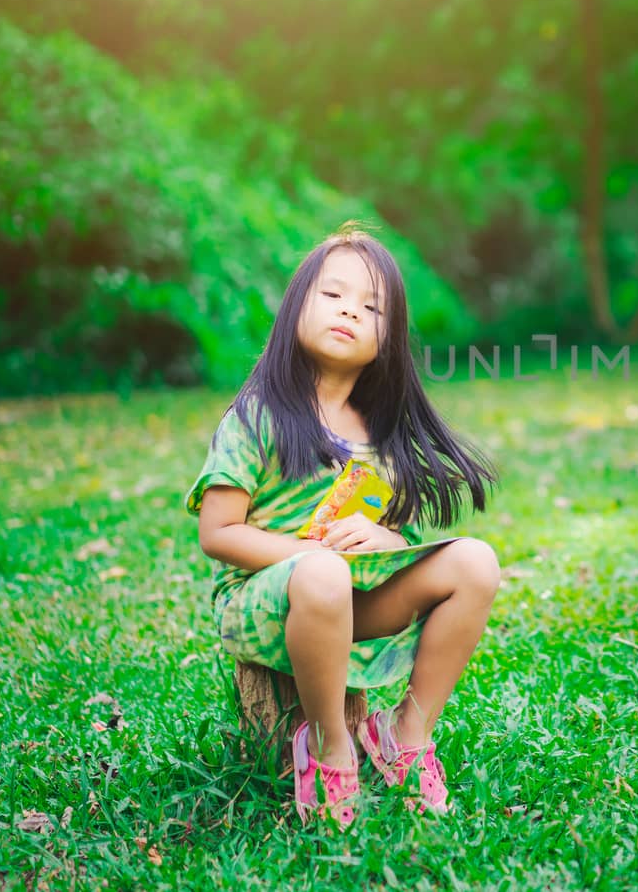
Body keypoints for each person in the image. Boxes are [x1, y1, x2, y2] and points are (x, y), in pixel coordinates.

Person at [186, 225, 498, 826]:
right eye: (333, 295)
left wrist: (390, 540)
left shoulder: (379, 435)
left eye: (371, 306)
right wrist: (306, 558)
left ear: (388, 340)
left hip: (348, 596)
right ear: (297, 306)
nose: (350, 310)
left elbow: (389, 542)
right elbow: (218, 533)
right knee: (324, 573)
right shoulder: (260, 415)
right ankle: (330, 749)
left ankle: (404, 738)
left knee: (475, 562)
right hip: (265, 601)